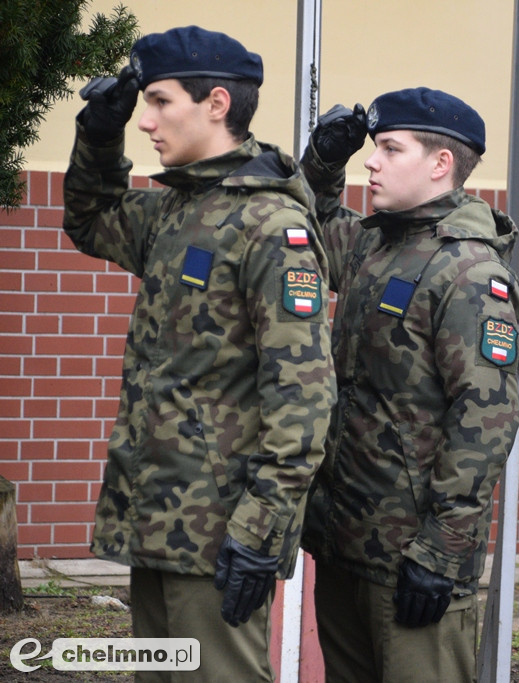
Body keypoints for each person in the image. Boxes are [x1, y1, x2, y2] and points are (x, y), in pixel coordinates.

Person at [62, 25, 335, 681]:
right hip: (157, 518)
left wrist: (259, 530)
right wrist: (98, 134)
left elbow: (304, 400)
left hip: (220, 528)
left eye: (159, 102)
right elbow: (90, 218)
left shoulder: (272, 226)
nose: (146, 121)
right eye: (143, 104)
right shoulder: (180, 208)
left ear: (216, 103)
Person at [298, 88, 519, 682]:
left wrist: (443, 549)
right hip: (347, 540)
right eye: (373, 149)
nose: (371, 162)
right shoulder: (377, 244)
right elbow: (308, 222)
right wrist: (322, 161)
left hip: (412, 557)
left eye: (389, 149)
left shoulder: (469, 270)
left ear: (439, 164)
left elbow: (486, 419)